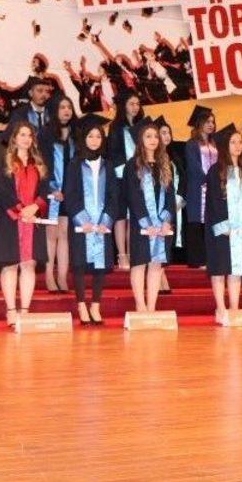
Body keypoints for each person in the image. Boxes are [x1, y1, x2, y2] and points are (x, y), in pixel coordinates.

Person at [0, 121, 50, 326]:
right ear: (14, 138)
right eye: (22, 135)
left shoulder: (39, 163)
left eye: (29, 135)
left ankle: (25, 311)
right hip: (11, 220)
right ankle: (11, 310)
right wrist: (20, 209)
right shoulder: (5, 162)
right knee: (10, 265)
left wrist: (35, 207)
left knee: (29, 264)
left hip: (32, 221)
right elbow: (2, 191)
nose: (26, 139)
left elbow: (44, 190)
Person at [64, 114, 116, 324]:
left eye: (98, 136)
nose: (94, 140)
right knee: (79, 265)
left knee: (99, 266)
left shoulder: (108, 165)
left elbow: (113, 196)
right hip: (81, 224)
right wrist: (82, 220)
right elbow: (70, 194)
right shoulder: (75, 164)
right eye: (91, 136)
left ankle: (95, 305)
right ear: (83, 138)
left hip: (102, 223)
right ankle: (81, 305)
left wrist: (106, 220)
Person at [204, 123, 242, 325]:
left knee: (236, 270)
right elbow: (214, 202)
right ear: (225, 146)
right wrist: (223, 225)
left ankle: (234, 309)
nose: (237, 145)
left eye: (239, 142)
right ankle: (220, 308)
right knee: (219, 270)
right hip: (222, 230)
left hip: (240, 230)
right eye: (233, 142)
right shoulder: (215, 171)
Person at [124, 118, 175, 313]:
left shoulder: (165, 164)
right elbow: (132, 196)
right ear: (140, 140)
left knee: (156, 265)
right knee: (139, 264)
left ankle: (152, 308)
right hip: (141, 224)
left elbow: (170, 195)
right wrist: (146, 223)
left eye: (156, 136)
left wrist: (166, 220)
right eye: (148, 136)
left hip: (162, 225)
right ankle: (140, 305)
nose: (153, 140)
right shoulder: (133, 165)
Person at [38, 94, 76, 293]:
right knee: (51, 235)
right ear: (54, 110)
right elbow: (40, 164)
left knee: (65, 235)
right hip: (51, 191)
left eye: (69, 107)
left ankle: (62, 276)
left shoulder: (75, 134)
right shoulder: (45, 134)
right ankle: (48, 275)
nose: (66, 111)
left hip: (69, 193)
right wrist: (51, 188)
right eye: (62, 107)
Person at [107, 89, 144, 270]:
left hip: (139, 177)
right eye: (131, 104)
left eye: (137, 104)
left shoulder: (142, 127)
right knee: (121, 216)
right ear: (124, 106)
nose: (135, 107)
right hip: (121, 177)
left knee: (134, 217)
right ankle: (122, 255)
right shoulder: (116, 128)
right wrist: (127, 169)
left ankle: (132, 253)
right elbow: (113, 155)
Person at [183, 104, 217, 268]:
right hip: (197, 189)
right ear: (200, 123)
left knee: (210, 223)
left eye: (212, 122)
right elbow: (193, 166)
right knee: (196, 223)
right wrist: (208, 179)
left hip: (213, 189)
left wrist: (216, 181)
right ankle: (197, 260)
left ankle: (210, 258)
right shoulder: (191, 144)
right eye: (207, 121)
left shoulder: (215, 144)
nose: (211, 124)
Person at [156, 115, 186, 294]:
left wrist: (180, 198)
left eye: (168, 132)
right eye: (162, 132)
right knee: (160, 240)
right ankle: (160, 278)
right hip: (160, 206)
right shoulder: (154, 158)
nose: (166, 136)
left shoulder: (173, 156)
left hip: (174, 204)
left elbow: (183, 178)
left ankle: (161, 275)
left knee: (167, 241)